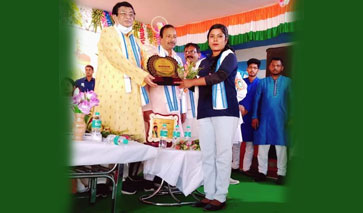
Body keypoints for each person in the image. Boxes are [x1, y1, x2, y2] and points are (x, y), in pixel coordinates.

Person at [178, 24, 239, 211]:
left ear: (226, 39)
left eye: (219, 36)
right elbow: (190, 79)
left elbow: (219, 77)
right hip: (204, 110)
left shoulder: (229, 56)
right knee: (207, 154)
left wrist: (191, 81)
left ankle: (220, 196)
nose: (215, 39)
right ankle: (209, 194)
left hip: (225, 111)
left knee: (222, 154)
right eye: (212, 36)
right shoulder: (203, 63)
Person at [94, 1, 156, 143]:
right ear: (114, 17)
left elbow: (146, 59)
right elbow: (117, 58)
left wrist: (158, 67)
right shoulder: (108, 33)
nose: (128, 17)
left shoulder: (135, 39)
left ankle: (129, 162)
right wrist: (142, 75)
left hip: (132, 92)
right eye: (123, 14)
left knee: (132, 135)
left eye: (131, 14)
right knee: (110, 133)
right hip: (112, 90)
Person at [251, 57, 291, 185]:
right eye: (273, 65)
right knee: (263, 147)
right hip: (264, 120)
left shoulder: (288, 82)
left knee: (281, 148)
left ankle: (282, 174)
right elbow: (256, 100)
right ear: (269, 67)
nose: (275, 68)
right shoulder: (262, 82)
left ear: (282, 68)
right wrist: (254, 117)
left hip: (282, 120)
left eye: (278, 66)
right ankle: (262, 172)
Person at [143, 24, 186, 136]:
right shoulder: (151, 57)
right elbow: (143, 83)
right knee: (158, 143)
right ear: (160, 38)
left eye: (174, 37)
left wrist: (183, 109)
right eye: (168, 36)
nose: (172, 40)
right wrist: (146, 108)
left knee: (176, 143)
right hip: (156, 107)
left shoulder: (177, 59)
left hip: (175, 106)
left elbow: (181, 85)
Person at [239, 58, 261, 176]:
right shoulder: (240, 82)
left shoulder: (260, 83)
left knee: (249, 143)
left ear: (258, 70)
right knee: (236, 142)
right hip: (239, 115)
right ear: (247, 69)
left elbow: (258, 100)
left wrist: (248, 109)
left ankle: (246, 169)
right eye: (250, 67)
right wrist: (239, 106)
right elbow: (234, 96)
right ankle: (235, 166)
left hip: (252, 116)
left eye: (255, 68)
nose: (252, 70)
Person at [182, 42, 202, 140]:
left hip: (200, 110)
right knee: (185, 140)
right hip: (186, 110)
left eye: (192, 51)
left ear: (199, 54)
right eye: (186, 52)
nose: (188, 54)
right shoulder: (181, 70)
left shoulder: (203, 69)